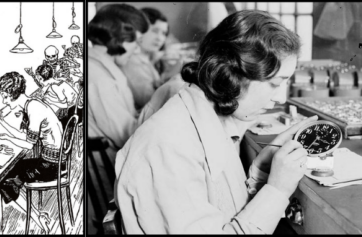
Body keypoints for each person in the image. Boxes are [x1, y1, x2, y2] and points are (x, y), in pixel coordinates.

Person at [115, 10, 319, 234]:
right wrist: (278, 189)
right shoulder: (169, 147)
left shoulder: (206, 119)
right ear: (232, 74)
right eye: (275, 83)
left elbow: (225, 208)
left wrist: (260, 173)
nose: (280, 97)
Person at [87, 4, 149, 160]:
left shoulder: (97, 64)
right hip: (109, 169)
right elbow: (126, 136)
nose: (137, 50)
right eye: (137, 42)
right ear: (121, 38)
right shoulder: (100, 79)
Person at [0, 71, 64, 204]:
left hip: (51, 166)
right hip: (53, 160)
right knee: (9, 171)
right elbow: (26, 137)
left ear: (14, 94)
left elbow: (28, 144)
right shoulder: (32, 103)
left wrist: (6, 138)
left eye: (5, 97)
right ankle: (27, 207)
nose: (4, 102)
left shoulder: (34, 109)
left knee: (3, 176)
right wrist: (3, 127)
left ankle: (35, 216)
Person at [120, 7, 184, 111]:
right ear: (139, 29)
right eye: (155, 31)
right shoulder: (132, 62)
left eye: (164, 33)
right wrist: (175, 75)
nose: (160, 38)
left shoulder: (145, 57)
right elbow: (149, 101)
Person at [32, 64, 79, 129]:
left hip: (72, 110)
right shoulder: (57, 81)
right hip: (74, 106)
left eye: (37, 79)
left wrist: (51, 101)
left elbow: (65, 104)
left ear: (40, 78)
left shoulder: (54, 86)